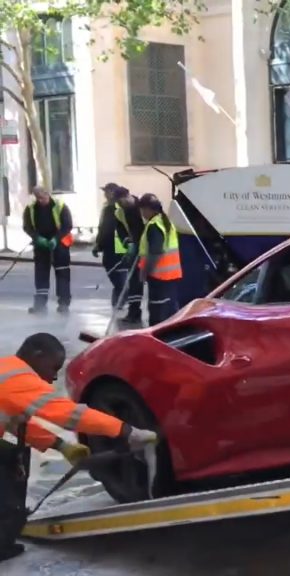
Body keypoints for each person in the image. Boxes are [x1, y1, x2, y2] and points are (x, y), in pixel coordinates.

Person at [0, 333, 158, 562]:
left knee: (11, 456)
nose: (54, 377)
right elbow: (68, 414)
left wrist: (62, 446)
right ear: (37, 355)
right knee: (8, 468)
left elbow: (16, 424)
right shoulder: (18, 378)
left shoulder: (6, 370)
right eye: (54, 367)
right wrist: (126, 431)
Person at [22, 186, 73, 316]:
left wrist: (56, 239)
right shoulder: (31, 209)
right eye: (37, 197)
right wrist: (37, 238)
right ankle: (40, 304)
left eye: (42, 197)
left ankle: (63, 304)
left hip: (60, 244)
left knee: (62, 274)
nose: (40, 200)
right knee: (41, 273)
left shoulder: (60, 206)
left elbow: (67, 225)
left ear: (48, 194)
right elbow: (27, 226)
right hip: (41, 245)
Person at [137, 194, 182, 326]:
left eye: (142, 210)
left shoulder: (154, 225)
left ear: (147, 209)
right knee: (169, 309)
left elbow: (155, 252)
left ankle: (157, 338)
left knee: (158, 311)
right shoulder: (165, 222)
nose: (142, 214)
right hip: (171, 275)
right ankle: (170, 336)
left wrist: (144, 272)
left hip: (158, 276)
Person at [112, 186, 145, 324]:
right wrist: (128, 243)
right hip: (135, 249)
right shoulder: (120, 212)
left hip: (149, 250)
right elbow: (121, 230)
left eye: (120, 201)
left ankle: (161, 314)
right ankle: (134, 312)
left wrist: (140, 244)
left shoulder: (143, 207)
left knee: (156, 284)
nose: (119, 204)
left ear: (127, 196)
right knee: (134, 282)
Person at [94, 183, 128, 314]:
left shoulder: (117, 208)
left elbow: (108, 229)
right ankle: (119, 300)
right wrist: (98, 244)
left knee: (120, 277)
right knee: (116, 276)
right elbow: (102, 228)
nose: (105, 195)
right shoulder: (107, 208)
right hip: (110, 247)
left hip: (119, 247)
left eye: (107, 192)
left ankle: (119, 302)